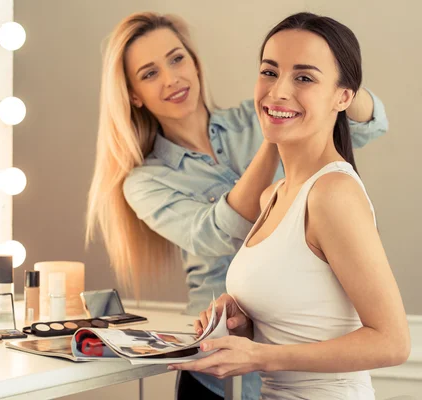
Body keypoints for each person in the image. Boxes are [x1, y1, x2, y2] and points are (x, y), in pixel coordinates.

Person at [85, 12, 388, 400]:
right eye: (149, 73)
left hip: (291, 360)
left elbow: (371, 125)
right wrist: (277, 128)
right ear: (132, 94)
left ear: (195, 63)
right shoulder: (146, 181)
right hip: (218, 359)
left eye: (177, 59)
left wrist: (326, 81)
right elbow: (215, 234)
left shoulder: (264, 119)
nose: (171, 78)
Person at [170, 12, 410, 399]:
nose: (278, 91)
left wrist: (262, 356)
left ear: (343, 97)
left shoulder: (333, 193)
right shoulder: (275, 194)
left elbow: (392, 342)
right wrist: (243, 323)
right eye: (269, 72)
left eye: (304, 77)